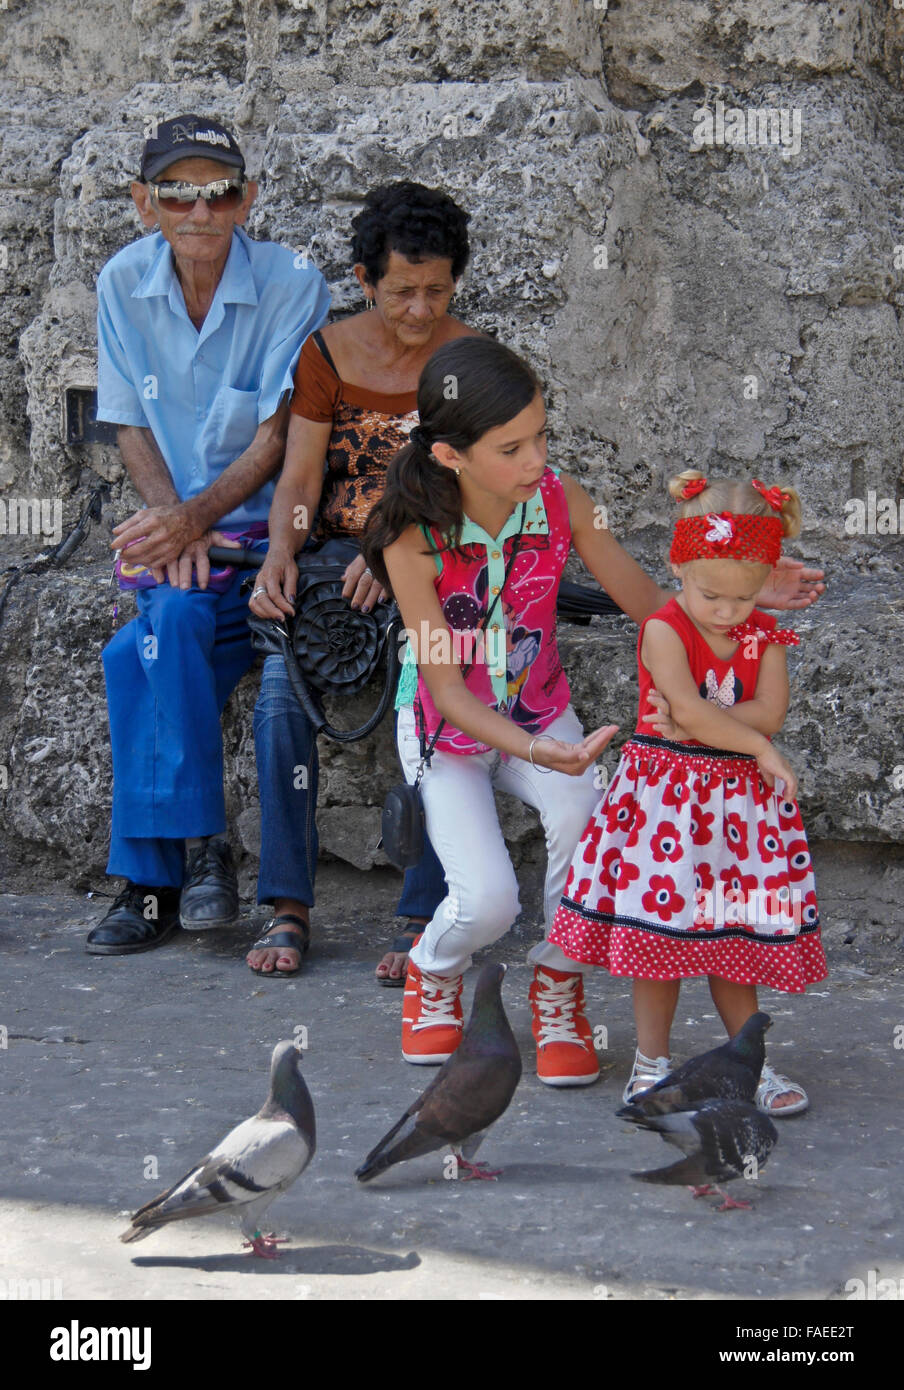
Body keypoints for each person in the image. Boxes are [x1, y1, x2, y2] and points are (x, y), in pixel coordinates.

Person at [364, 338, 825, 1086]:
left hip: (543, 711)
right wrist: (542, 754)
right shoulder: (413, 541)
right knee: (486, 902)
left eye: (542, 435)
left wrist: (729, 593)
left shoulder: (561, 499)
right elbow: (447, 691)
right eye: (512, 447)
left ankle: (557, 986)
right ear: (451, 455)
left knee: (593, 854)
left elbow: (650, 607)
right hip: (450, 730)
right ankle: (434, 968)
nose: (536, 459)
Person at [86, 115, 330, 955]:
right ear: (143, 201)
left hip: (260, 540)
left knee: (136, 653)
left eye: (218, 191)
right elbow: (127, 423)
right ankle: (200, 855)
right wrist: (170, 523)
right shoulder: (121, 281)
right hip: (174, 539)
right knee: (170, 628)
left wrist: (194, 518)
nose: (198, 211)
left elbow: (277, 433)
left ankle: (149, 878)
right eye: (176, 192)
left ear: (247, 198)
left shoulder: (293, 282)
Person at [245, 182, 478, 982]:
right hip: (326, 558)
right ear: (363, 280)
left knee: (433, 698)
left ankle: (423, 909)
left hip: (434, 555)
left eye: (437, 291)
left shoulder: (469, 359)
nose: (420, 309)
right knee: (282, 693)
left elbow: (474, 489)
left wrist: (390, 553)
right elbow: (301, 479)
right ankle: (287, 904)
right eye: (403, 290)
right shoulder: (327, 353)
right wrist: (282, 551)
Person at [547, 470, 827, 1113]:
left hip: (738, 814)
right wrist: (748, 741)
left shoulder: (766, 633)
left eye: (743, 598)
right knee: (659, 943)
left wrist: (714, 722)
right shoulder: (664, 630)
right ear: (679, 566)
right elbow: (696, 713)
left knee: (735, 943)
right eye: (710, 595)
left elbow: (769, 710)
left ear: (763, 584)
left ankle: (746, 1062)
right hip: (666, 809)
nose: (726, 613)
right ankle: (651, 1063)